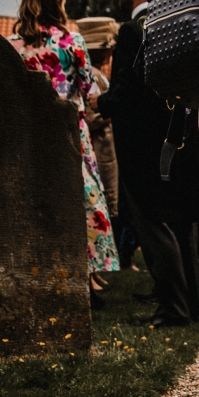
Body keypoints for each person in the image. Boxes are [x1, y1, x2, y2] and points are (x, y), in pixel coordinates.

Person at [93, 0, 199, 328]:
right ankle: (191, 307)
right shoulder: (177, 20)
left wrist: (101, 103)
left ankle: (173, 310)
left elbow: (130, 92)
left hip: (145, 150)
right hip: (182, 142)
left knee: (155, 227)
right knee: (183, 227)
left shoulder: (134, 29)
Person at [9, 0, 120, 309]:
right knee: (83, 201)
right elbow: (88, 88)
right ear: (55, 2)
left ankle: (44, 273)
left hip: (33, 136)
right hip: (71, 132)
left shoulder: (15, 46)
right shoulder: (71, 42)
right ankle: (84, 278)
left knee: (40, 201)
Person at [79, 16, 121, 292]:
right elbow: (92, 114)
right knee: (94, 212)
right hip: (96, 148)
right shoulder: (93, 75)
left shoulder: (99, 74)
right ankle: (90, 274)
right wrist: (110, 113)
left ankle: (94, 272)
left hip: (103, 149)